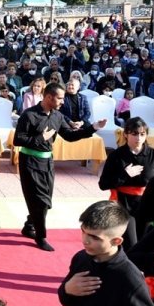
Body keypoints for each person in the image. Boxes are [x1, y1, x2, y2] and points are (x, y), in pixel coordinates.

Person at [14, 82, 107, 252]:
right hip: (30, 161)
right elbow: (17, 140)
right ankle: (41, 236)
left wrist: (93, 128)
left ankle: (30, 225)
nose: (63, 101)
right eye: (60, 98)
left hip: (48, 162)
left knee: (46, 200)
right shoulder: (29, 115)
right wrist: (40, 138)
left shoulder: (58, 116)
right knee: (39, 201)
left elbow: (70, 136)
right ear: (49, 97)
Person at [97, 117, 154, 250]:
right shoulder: (116, 156)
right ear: (126, 134)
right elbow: (103, 184)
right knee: (131, 244)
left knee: (144, 243)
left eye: (142, 134)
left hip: (146, 204)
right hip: (123, 204)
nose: (138, 138)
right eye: (134, 134)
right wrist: (125, 175)